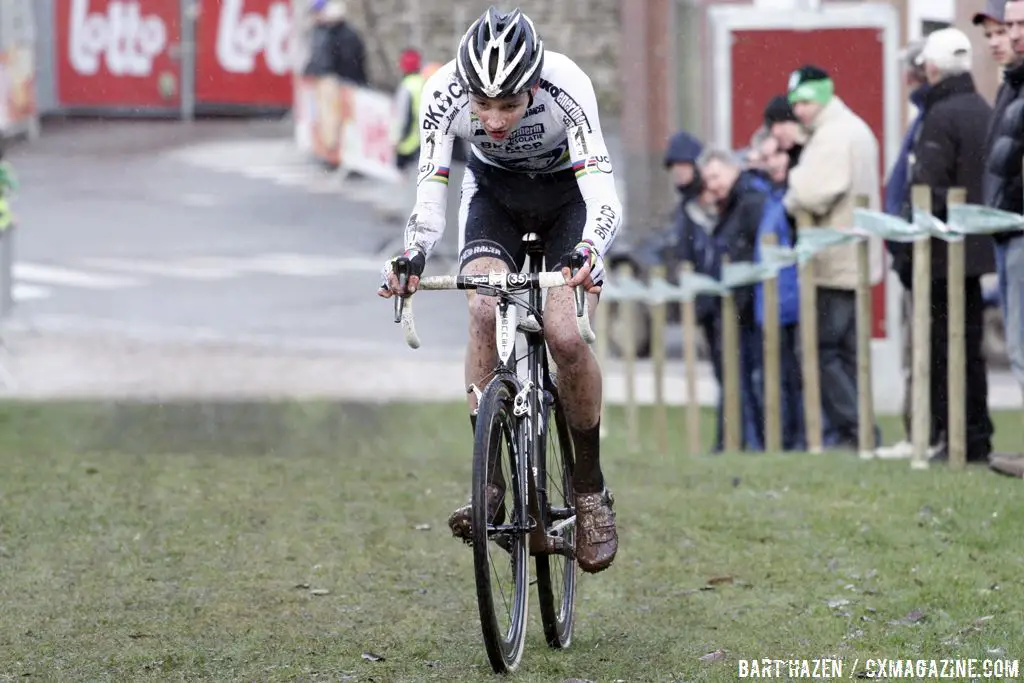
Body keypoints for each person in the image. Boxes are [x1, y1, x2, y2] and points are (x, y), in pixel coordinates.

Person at [378, 7, 623, 572]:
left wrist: (590, 251)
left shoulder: (568, 86)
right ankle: (488, 481)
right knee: (483, 308)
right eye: (482, 105)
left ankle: (589, 487)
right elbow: (430, 192)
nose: (492, 120)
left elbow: (604, 194)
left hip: (569, 201)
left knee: (563, 335)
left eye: (509, 105)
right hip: (495, 198)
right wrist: (413, 252)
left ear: (533, 87)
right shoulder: (441, 92)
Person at [896, 28, 996, 464]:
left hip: (939, 254)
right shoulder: (983, 109)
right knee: (968, 350)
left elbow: (928, 191)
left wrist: (904, 248)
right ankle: (974, 433)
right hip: (974, 252)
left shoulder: (940, 117)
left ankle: (953, 434)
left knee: (942, 348)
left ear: (931, 68)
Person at [782, 65, 884, 451]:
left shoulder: (833, 136)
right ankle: (861, 431)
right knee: (846, 352)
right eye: (796, 103)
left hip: (834, 262)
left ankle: (855, 430)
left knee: (821, 350)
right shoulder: (852, 128)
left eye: (805, 101)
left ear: (823, 97)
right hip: (850, 256)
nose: (800, 110)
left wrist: (791, 187)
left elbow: (810, 192)